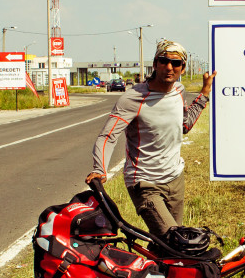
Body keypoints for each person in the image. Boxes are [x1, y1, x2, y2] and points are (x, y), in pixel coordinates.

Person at [86, 39, 216, 239]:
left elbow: (185, 126)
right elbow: (108, 136)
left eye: (176, 63)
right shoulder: (133, 98)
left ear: (183, 67)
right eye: (164, 61)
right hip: (144, 183)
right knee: (175, 240)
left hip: (174, 179)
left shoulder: (179, 92)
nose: (169, 67)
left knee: (167, 246)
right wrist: (99, 168)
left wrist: (204, 93)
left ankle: (156, 270)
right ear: (155, 64)